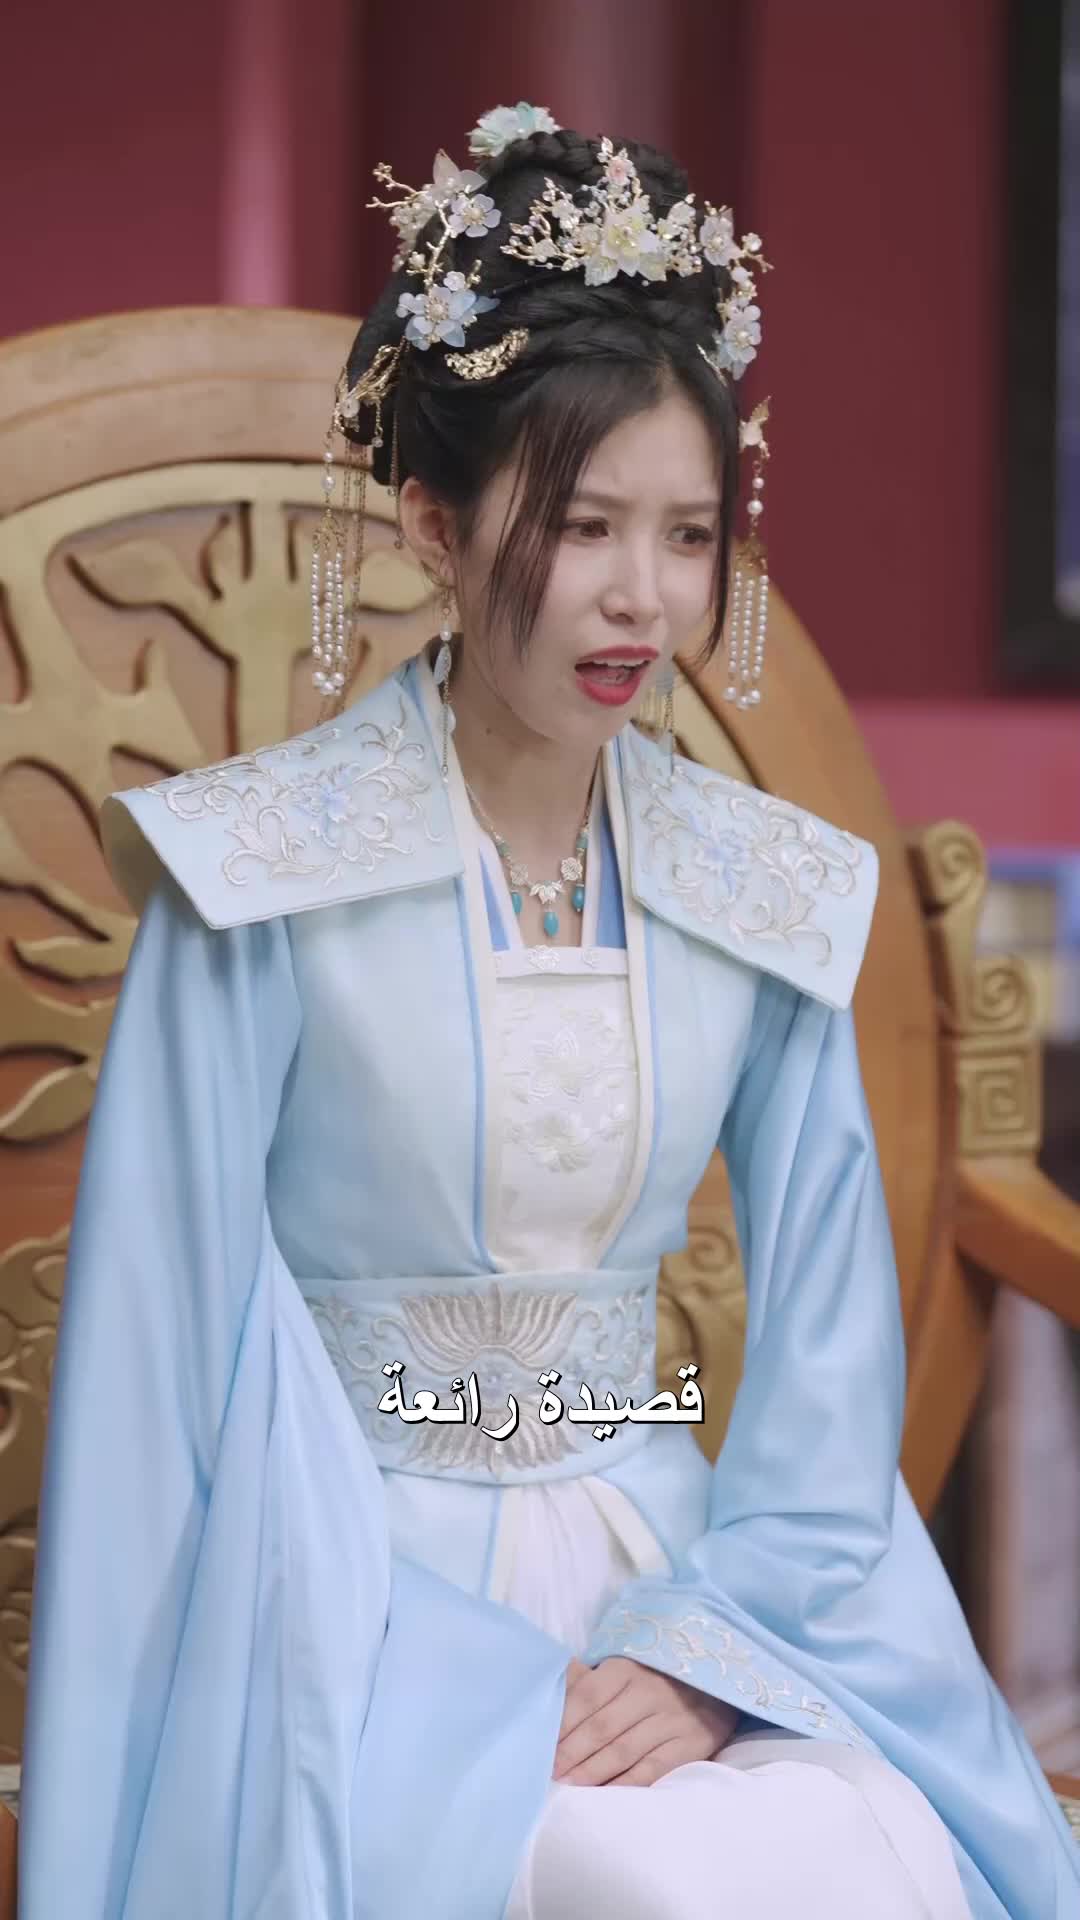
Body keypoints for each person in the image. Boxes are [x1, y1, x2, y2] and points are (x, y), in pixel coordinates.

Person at [17, 105, 1079, 1920]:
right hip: (345, 1580)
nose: (642, 597)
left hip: (695, 1577)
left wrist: (713, 1651)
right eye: (584, 526)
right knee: (633, 1874)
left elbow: (830, 1362)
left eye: (686, 534)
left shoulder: (764, 892)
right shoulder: (255, 882)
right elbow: (152, 1364)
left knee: (858, 1845)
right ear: (437, 525)